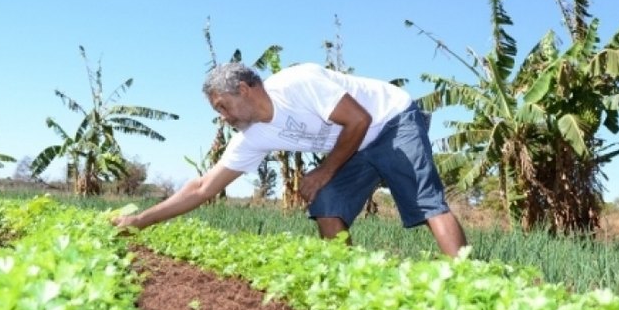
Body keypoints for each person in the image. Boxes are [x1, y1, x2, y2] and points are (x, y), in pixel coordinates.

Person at [113, 62, 467, 256]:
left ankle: (466, 283)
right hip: (356, 144)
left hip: (390, 120)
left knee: (424, 200)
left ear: (244, 90)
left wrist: (325, 170)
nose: (223, 116)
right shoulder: (254, 135)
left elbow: (358, 119)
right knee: (327, 202)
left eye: (223, 106)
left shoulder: (299, 83)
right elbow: (203, 187)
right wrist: (141, 221)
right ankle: (347, 279)